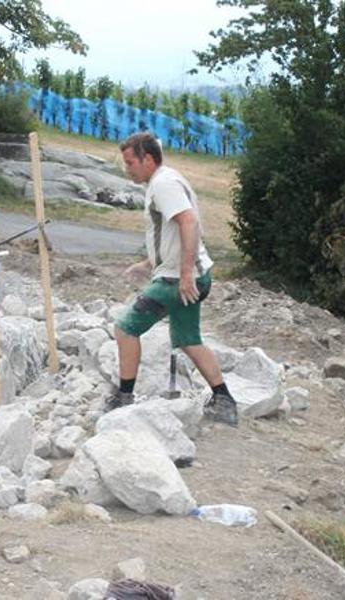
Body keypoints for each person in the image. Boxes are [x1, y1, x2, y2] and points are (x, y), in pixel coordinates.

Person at [110, 132, 238, 426]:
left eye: (130, 162)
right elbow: (172, 233)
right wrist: (148, 263)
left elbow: (189, 222)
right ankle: (224, 400)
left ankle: (123, 398)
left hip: (177, 281)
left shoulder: (163, 184)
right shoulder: (165, 179)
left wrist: (183, 275)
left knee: (126, 328)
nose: (127, 168)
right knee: (188, 339)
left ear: (148, 159)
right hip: (193, 274)